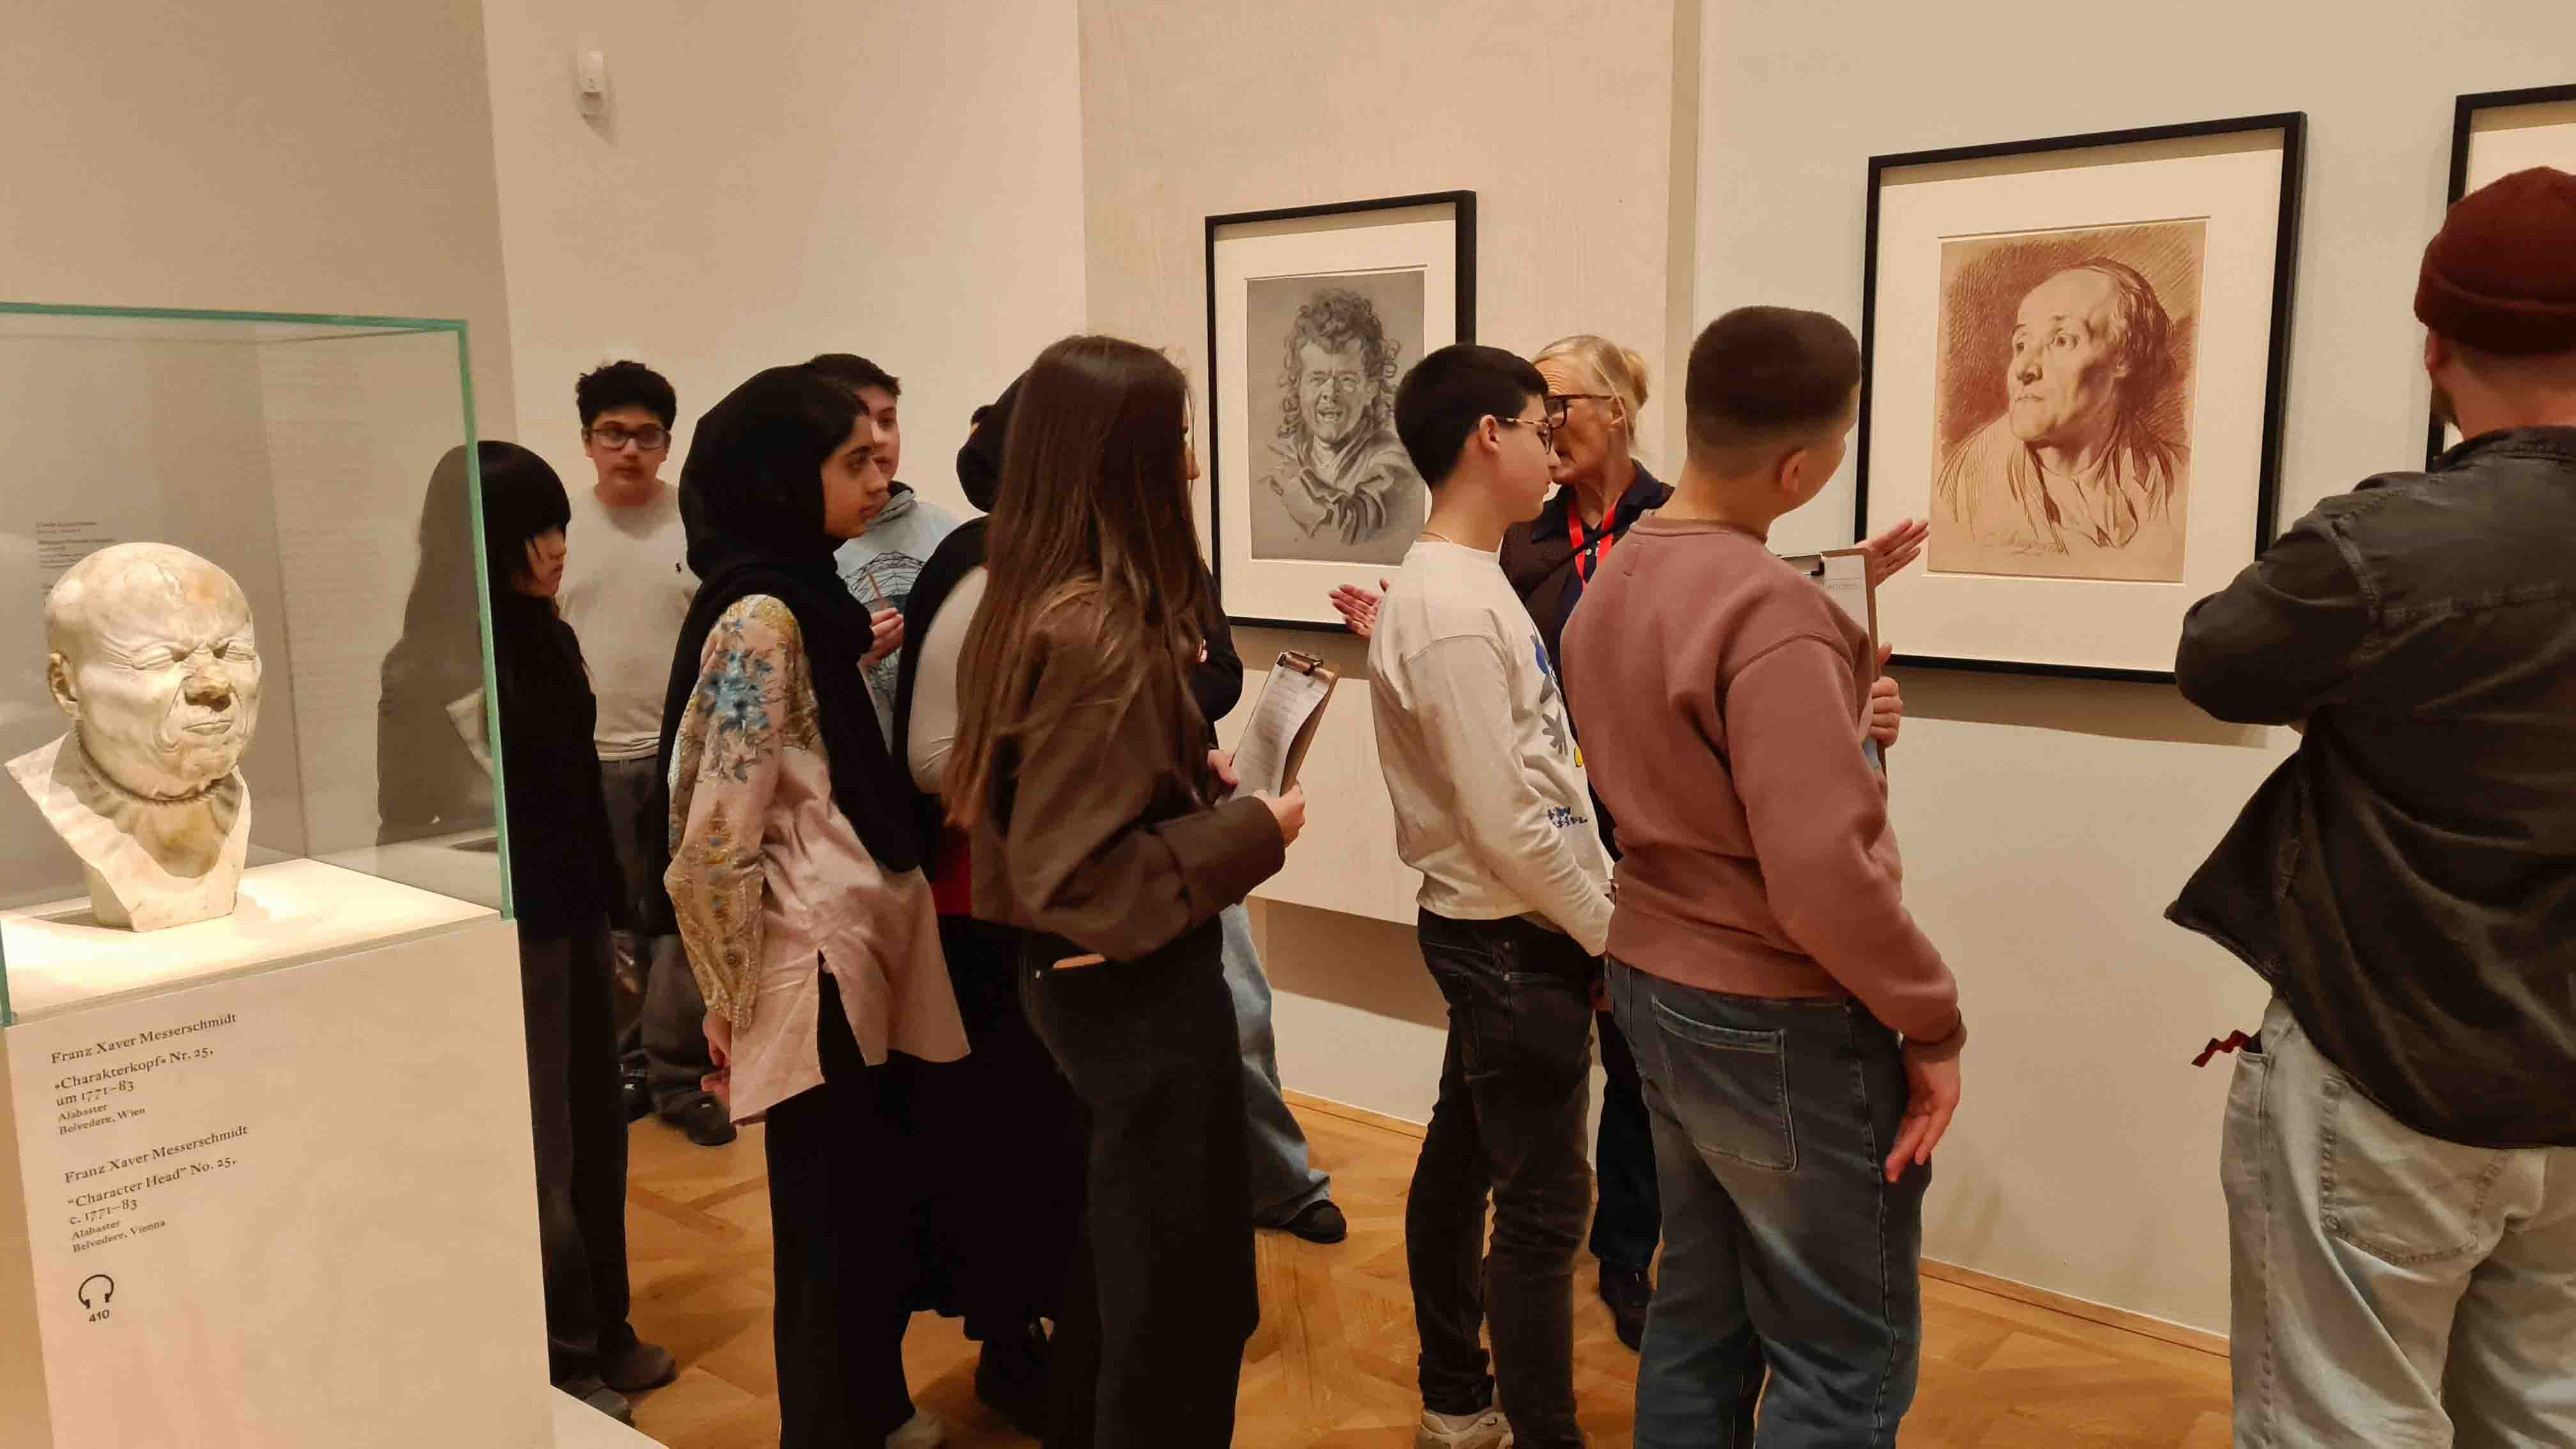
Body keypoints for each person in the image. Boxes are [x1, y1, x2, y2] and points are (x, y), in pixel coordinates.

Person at [1330, 333, 1923, 1349]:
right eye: (1539, 414)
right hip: (1544, 884)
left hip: (1613, 859)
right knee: (1530, 1179)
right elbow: (1505, 769)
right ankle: (1486, 1385)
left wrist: (1838, 692)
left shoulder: (1663, 532)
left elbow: (1710, 693)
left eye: (1564, 406)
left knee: (1614, 1121)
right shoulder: (1504, 557)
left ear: (1619, 410)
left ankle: (1609, 1276)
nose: (1553, 429)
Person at [2170, 166, 2576, 1448]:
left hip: (2389, 1060)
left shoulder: (2386, 544)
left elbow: (2218, 662)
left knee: (2342, 1427)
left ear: (2435, 346)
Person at [1562, 308, 1965, 1446]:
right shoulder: (1773, 612)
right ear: (1799, 468)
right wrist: (1932, 1020)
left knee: (1699, 1310)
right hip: (1772, 1008)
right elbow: (1823, 874)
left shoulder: (1616, 576)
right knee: (1842, 1359)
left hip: (1654, 977)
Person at [946, 335, 1304, 1448]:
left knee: (1128, 1277)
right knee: (1180, 1304)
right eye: (1177, 441)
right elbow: (1077, 874)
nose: (1192, 466)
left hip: (1090, 987)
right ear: (1126, 459)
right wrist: (1253, 828)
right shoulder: (1097, 626)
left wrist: (1182, 777)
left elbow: (1056, 816)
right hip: (1131, 992)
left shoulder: (1036, 598)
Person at [658, 367, 968, 1449]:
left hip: (846, 938)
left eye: (878, 454)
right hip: (806, 956)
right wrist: (724, 992)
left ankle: (871, 1403)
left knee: (866, 1208)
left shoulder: (808, 597)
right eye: (851, 461)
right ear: (782, 476)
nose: (878, 476)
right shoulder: (761, 617)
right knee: (827, 1223)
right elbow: (714, 835)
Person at [1370, 342, 1611, 1449]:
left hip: (1513, 928)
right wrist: (1611, 931)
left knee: (1467, 1158)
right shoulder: (1452, 606)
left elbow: (1530, 788)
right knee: (1543, 1211)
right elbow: (1507, 821)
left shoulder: (1466, 585)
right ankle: (1525, 1424)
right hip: (1511, 938)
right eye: (1538, 429)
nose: (1552, 455)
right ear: (1487, 436)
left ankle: (1457, 1397)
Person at [884, 374, 1083, 1439]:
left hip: (1025, 893)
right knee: (1008, 1139)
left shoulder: (1031, 559)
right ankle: (1012, 1347)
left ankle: (1037, 1333)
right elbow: (933, 756)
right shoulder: (984, 567)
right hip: (981, 904)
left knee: (1038, 1135)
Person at [479, 440, 675, 1427]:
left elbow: (578, 791)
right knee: (544, 1150)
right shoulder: (448, 658)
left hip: (576, 918)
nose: (557, 547)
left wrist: (617, 914)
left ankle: (606, 1327)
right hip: (515, 931)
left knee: (599, 1133)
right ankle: (562, 1360)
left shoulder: (548, 638)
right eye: (535, 531)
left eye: (560, 526)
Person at [555, 360, 733, 1147]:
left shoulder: (696, 524)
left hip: (683, 756)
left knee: (684, 923)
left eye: (646, 435)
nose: (629, 449)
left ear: (668, 442)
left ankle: (683, 1078)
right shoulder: (561, 528)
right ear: (587, 440)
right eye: (612, 434)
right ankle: (626, 1070)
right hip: (588, 759)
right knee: (615, 927)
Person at [1933, 261, 2187, 570]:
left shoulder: (2178, 481)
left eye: (2062, 340)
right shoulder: (1962, 489)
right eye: (2021, 344)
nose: (2024, 369)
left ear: (2124, 356)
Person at [808, 352, 960, 739]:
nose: (878, 438)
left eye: (888, 421)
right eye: (859, 422)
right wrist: (850, 657)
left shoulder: (949, 534)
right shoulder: (797, 550)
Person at [1258, 288, 1426, 560]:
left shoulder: (1393, 462)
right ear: (1298, 386)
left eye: (1347, 380)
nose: (1330, 393)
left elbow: (1342, 539)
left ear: (1371, 389)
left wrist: (1294, 486)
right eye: (1317, 378)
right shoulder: (1281, 456)